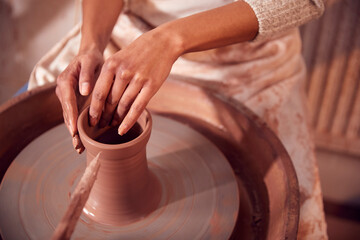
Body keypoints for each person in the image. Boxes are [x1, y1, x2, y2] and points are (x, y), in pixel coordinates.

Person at [29, 0, 327, 238]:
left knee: (294, 216)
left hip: (246, 55)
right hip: (130, 37)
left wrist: (171, 40)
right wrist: (91, 45)